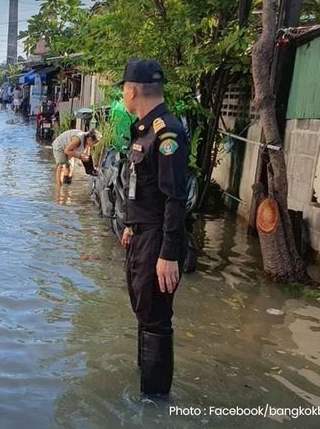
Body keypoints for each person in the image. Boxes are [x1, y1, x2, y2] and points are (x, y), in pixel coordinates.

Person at [117, 58, 188, 399]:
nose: (122, 94)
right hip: (142, 234)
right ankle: (145, 383)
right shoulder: (143, 129)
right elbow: (142, 187)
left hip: (159, 239)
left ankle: (155, 401)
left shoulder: (166, 133)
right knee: (144, 310)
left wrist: (168, 254)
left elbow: (175, 197)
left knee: (156, 318)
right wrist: (131, 225)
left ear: (132, 90)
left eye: (122, 89)